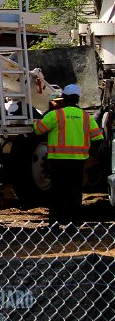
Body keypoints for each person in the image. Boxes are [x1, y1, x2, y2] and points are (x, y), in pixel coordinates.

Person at [33, 84, 104, 222]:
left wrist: (44, 115)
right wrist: (89, 155)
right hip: (78, 162)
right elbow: (98, 139)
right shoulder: (86, 117)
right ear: (77, 99)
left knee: (57, 193)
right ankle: (74, 224)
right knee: (75, 193)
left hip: (58, 161)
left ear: (64, 98)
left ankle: (54, 224)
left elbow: (37, 129)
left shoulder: (56, 115)